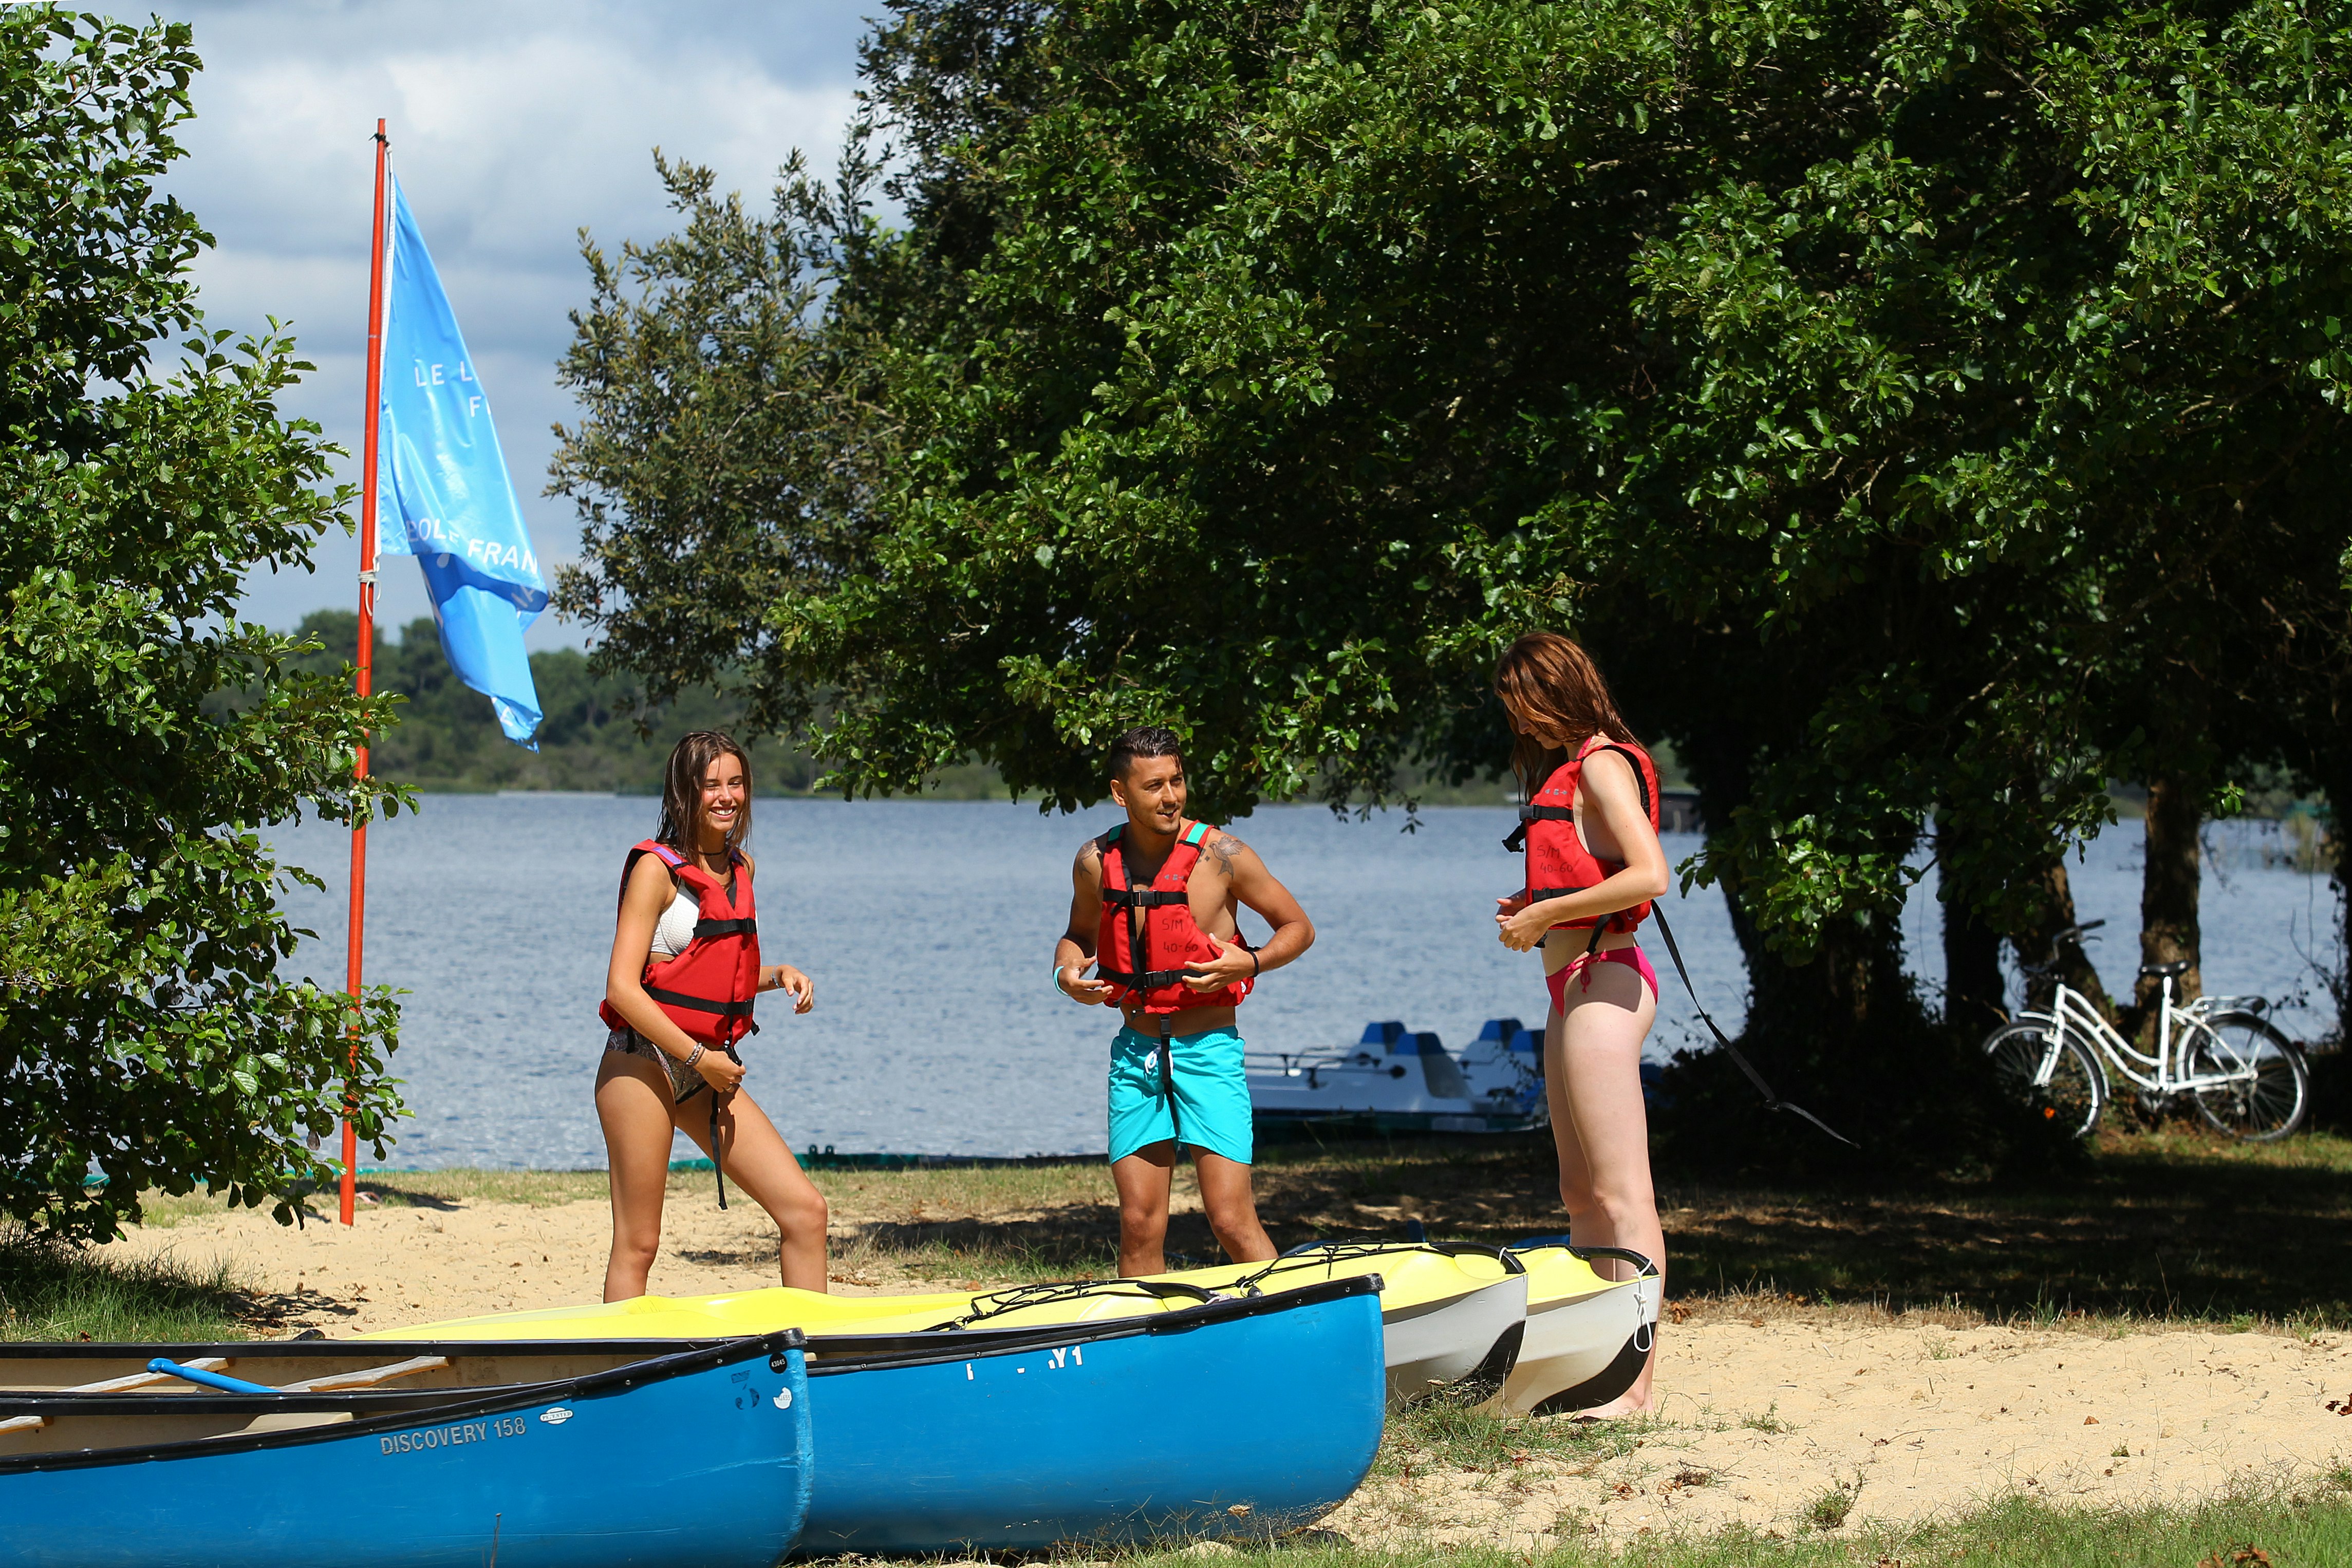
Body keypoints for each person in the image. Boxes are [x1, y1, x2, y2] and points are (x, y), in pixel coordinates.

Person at [1053, 726, 1315, 1276]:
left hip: (1209, 1051)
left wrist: (1252, 962)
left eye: (1177, 781)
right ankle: (1143, 1326)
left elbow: (1298, 927)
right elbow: (1078, 934)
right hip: (1137, 1056)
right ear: (1121, 792)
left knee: (1231, 1220)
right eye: (1154, 786)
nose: (1171, 796)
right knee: (1139, 1224)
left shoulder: (1223, 855)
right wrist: (1066, 975)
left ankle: (1292, 1316)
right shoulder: (1095, 860)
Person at [1492, 632, 1672, 1416]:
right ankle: (1593, 1366)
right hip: (1570, 985)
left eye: (1521, 705)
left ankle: (1632, 1389)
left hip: (1607, 979)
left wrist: (1545, 914)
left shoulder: (1601, 763)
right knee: (1580, 1192)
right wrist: (1535, 905)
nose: (1518, 723)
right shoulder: (1573, 765)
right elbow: (1592, 870)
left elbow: (1650, 873)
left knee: (1622, 1194)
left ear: (1554, 692)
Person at [595, 730, 828, 1301]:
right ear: (685, 791)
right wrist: (700, 1057)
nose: (727, 796)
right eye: (712, 785)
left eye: (736, 783)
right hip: (643, 1063)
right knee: (639, 1243)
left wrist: (779, 974)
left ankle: (814, 1346)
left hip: (705, 1071)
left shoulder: (742, 867)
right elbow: (622, 989)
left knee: (806, 1212)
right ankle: (619, 1355)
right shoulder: (657, 871)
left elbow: (717, 973)